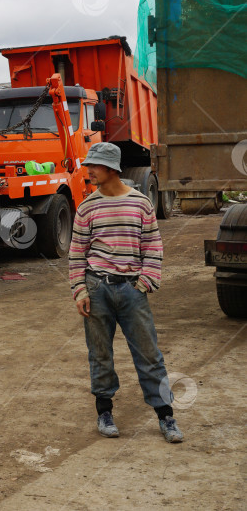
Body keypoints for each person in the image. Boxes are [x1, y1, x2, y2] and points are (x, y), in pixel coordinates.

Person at [69, 143, 183, 443]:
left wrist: (146, 282)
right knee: (100, 354)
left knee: (149, 355)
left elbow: (153, 246)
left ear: (110, 168)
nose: (89, 170)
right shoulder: (87, 207)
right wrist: (80, 290)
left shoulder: (141, 204)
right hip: (97, 289)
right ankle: (104, 412)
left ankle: (166, 415)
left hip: (133, 290)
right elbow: (77, 253)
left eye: (93, 165)